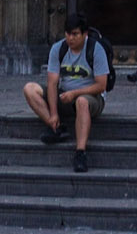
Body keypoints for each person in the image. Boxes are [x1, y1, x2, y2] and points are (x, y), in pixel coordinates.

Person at [22, 15, 108, 174]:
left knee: (82, 101)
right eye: (68, 34)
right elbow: (53, 82)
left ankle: (80, 153)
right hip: (65, 96)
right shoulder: (58, 48)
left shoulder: (96, 49)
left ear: (85, 34)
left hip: (91, 97)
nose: (70, 38)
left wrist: (75, 93)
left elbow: (101, 86)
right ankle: (56, 128)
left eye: (75, 34)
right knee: (30, 88)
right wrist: (53, 113)